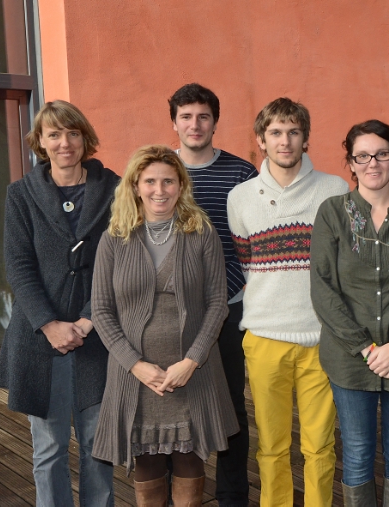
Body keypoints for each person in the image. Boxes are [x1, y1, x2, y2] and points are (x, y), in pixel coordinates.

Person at [91, 145, 239, 505]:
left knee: (190, 459)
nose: (160, 190)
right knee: (147, 463)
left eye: (168, 181)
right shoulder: (115, 238)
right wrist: (136, 365)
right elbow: (102, 310)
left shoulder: (201, 233)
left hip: (191, 373)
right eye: (150, 181)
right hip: (136, 377)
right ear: (135, 186)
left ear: (181, 186)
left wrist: (192, 361)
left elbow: (217, 304)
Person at [0, 100, 118, 506]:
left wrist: (88, 320)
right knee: (48, 450)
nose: (64, 143)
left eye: (72, 133)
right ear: (41, 142)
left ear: (85, 138)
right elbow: (18, 265)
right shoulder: (20, 194)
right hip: (39, 339)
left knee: (98, 446)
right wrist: (49, 324)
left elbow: (121, 262)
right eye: (54, 135)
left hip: (98, 337)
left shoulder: (116, 190)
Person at [310, 119, 389, 506]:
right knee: (357, 451)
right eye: (362, 156)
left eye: (382, 154)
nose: (373, 163)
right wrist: (366, 348)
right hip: (350, 359)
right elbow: (323, 287)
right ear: (351, 162)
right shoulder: (333, 212)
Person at [227, 97, 348, 506]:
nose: (285, 141)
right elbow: (248, 264)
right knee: (272, 447)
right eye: (276, 132)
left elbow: (341, 262)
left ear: (305, 138)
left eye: (293, 132)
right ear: (261, 140)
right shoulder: (240, 197)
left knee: (320, 447)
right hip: (264, 338)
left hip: (322, 338)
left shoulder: (335, 190)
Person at [168, 82, 258, 506]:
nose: (195, 124)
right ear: (174, 123)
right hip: (172, 310)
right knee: (176, 401)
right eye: (186, 116)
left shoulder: (241, 174)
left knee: (230, 405)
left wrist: (225, 293)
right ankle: (181, 492)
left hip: (229, 308)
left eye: (203, 116)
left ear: (215, 122)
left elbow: (254, 243)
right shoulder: (161, 171)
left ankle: (232, 495)